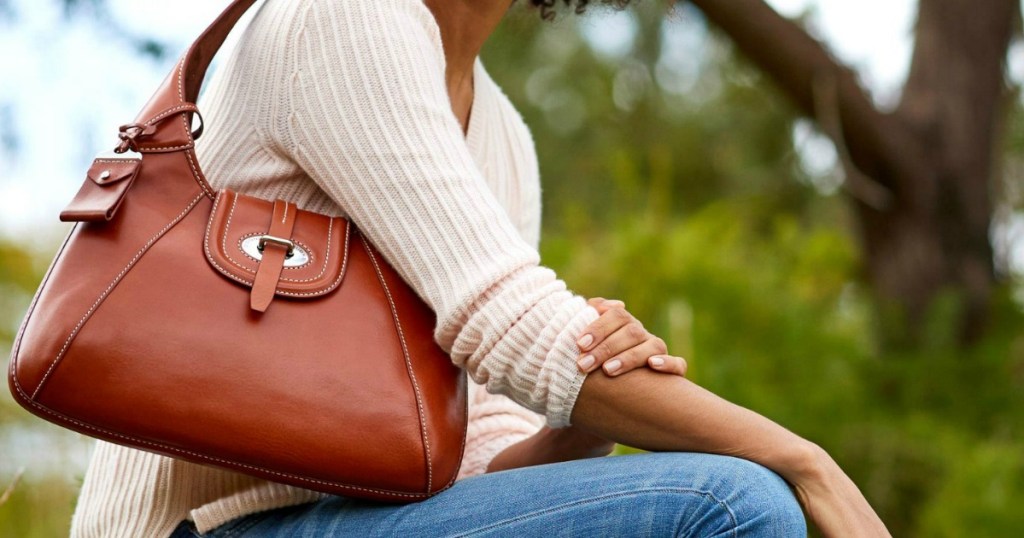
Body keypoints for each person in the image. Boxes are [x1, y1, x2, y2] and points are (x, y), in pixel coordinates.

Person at [70, 0, 890, 536]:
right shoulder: (343, 18)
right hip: (216, 527)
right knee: (737, 505)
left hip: (371, 516)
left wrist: (579, 426)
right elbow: (509, 322)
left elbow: (473, 450)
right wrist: (804, 460)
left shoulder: (500, 131)